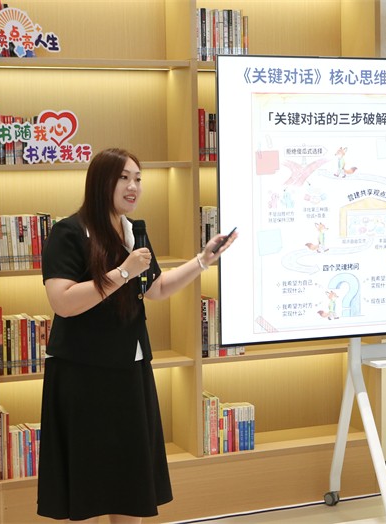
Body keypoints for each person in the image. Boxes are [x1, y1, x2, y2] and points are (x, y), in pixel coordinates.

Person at [37, 148, 237, 523]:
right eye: (124, 178)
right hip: (83, 373)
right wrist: (123, 272)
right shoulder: (69, 232)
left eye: (138, 179)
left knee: (130, 481)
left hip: (130, 369)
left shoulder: (134, 230)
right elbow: (62, 301)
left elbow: (156, 288)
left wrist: (203, 260)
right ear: (101, 183)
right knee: (89, 480)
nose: (133, 187)